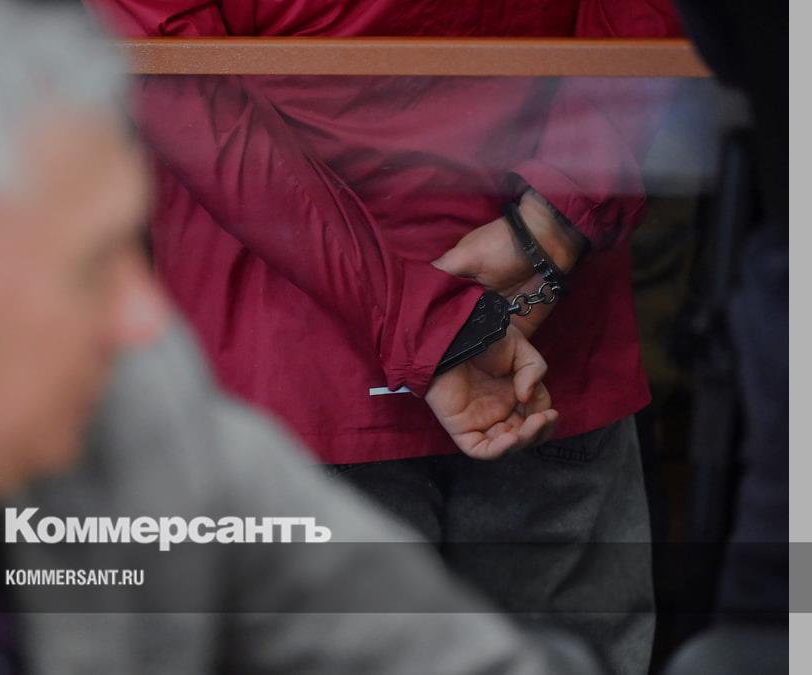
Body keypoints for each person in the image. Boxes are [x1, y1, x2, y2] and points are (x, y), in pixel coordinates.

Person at [0, 0, 598, 672]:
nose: (149, 319)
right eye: (91, 267)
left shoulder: (143, 419)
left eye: (134, 246)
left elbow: (450, 652)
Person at [89, 1, 681, 671]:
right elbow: (646, 17)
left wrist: (434, 320)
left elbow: (177, 78)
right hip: (539, 337)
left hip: (299, 363)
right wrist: (551, 226)